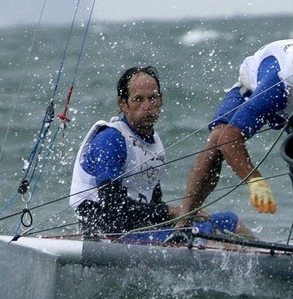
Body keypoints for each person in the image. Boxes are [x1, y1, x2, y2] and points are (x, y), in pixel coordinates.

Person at [70, 65, 253, 239]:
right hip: (106, 234)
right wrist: (174, 212)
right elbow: (112, 208)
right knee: (207, 236)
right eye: (138, 99)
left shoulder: (154, 142)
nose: (147, 106)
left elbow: (153, 204)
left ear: (161, 99)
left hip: (139, 231)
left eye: (152, 98)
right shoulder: (111, 139)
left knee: (230, 222)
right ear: (123, 104)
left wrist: (182, 217)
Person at [181, 39, 293, 218]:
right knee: (218, 137)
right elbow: (228, 138)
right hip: (256, 82)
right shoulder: (278, 86)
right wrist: (255, 180)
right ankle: (184, 221)